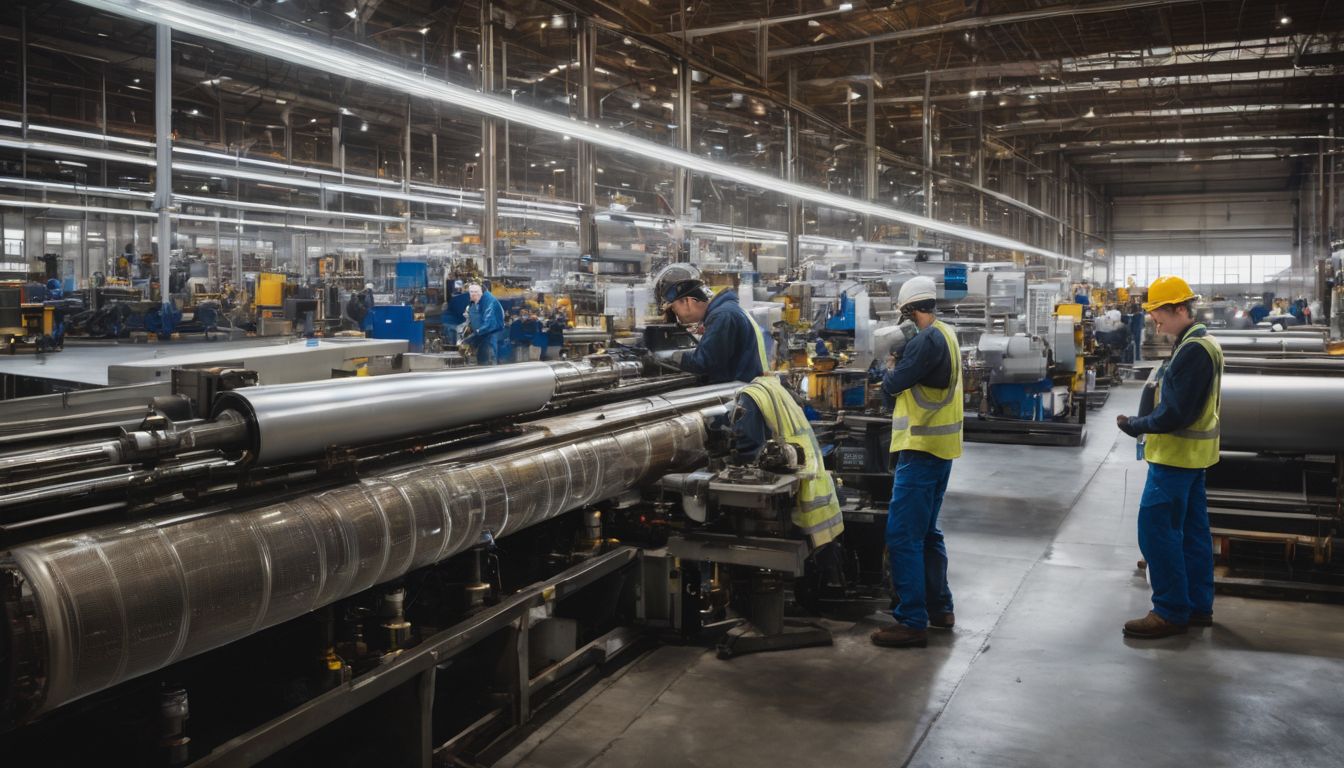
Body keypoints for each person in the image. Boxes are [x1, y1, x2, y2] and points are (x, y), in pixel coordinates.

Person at [1116, 275, 1223, 639]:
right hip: (1191, 459)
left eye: (1159, 313)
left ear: (1180, 309)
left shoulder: (1194, 351)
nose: (1154, 321)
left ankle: (1170, 611)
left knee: (1156, 532)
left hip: (1176, 459)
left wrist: (1137, 424)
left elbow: (1176, 413)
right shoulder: (1197, 344)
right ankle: (1196, 606)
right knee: (1193, 535)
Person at [870, 276, 962, 649]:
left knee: (902, 535)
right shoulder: (948, 333)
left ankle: (911, 620)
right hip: (941, 449)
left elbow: (894, 385)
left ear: (909, 311)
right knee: (927, 532)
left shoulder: (925, 340)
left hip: (921, 448)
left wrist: (888, 368)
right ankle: (940, 608)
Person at [731, 373, 845, 550]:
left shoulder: (751, 395)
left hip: (800, 491)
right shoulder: (777, 390)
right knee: (822, 550)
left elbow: (747, 443)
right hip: (815, 482)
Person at [661, 279, 768, 384]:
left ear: (688, 301)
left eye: (674, 308)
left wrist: (676, 357)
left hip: (742, 388)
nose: (675, 313)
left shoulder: (722, 316)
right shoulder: (726, 310)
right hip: (745, 382)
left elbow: (705, 362)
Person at [462, 283, 505, 366]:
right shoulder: (476, 301)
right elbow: (474, 317)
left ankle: (493, 371)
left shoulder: (489, 302)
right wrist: (470, 327)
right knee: (482, 357)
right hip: (482, 333)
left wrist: (476, 333)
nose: (471, 294)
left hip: (490, 333)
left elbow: (489, 323)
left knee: (489, 354)